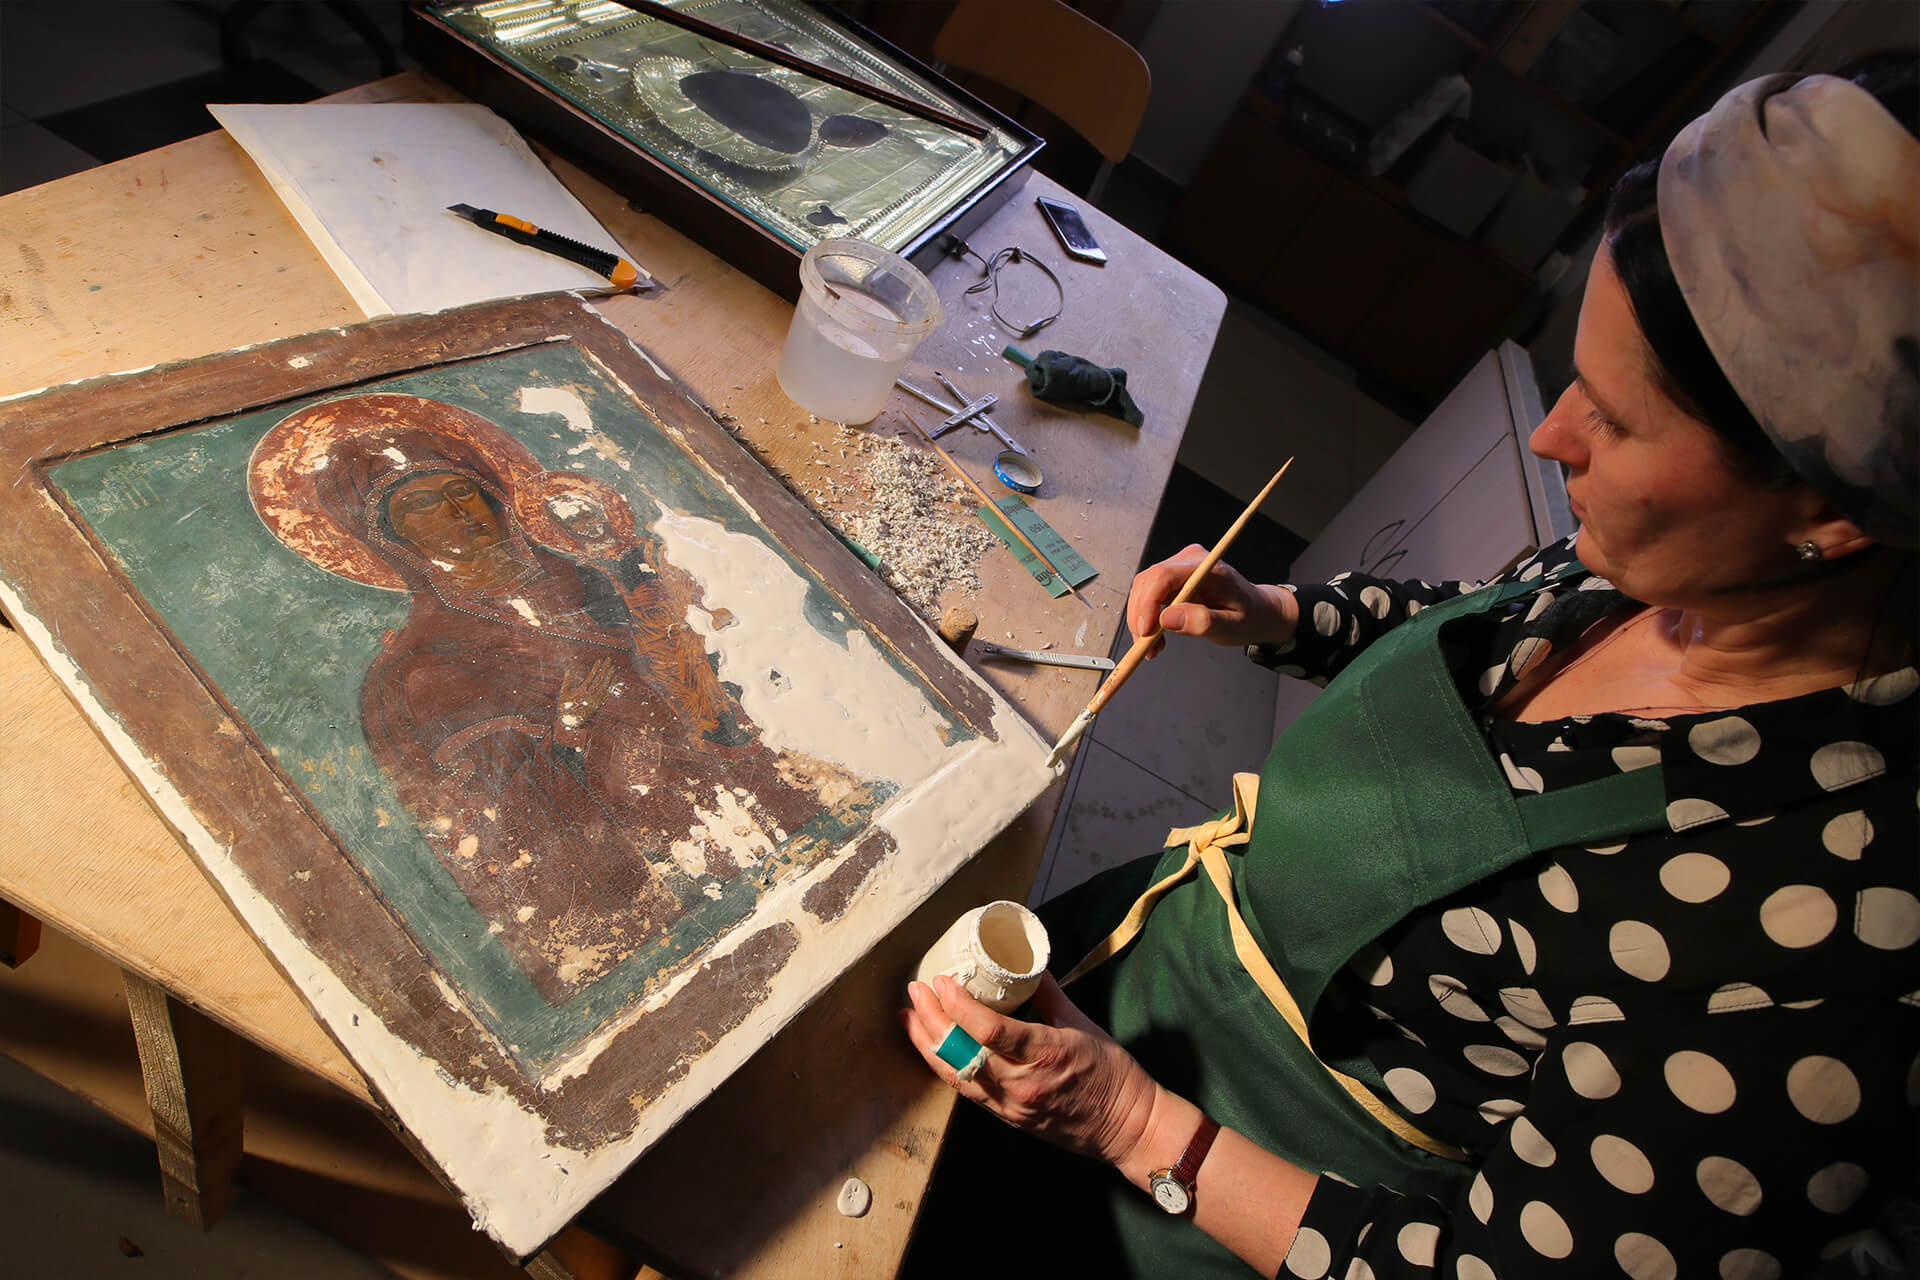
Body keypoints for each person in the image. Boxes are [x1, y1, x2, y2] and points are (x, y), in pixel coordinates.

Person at [902, 61, 1918, 1279]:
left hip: (1195, 1216)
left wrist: (1126, 1119)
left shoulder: (1827, 944)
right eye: (1575, 380)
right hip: (1136, 971)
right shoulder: (1680, 564)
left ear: (1828, 513)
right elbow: (1475, 625)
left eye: (1618, 419)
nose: (1551, 435)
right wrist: (1278, 614)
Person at [301, 411, 883, 1002]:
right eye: (423, 505)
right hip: (639, 841)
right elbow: (486, 808)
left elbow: (722, 648)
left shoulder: (598, 573)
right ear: (390, 537)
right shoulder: (421, 664)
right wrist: (570, 725)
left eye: (462, 491)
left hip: (745, 768)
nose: (456, 512)